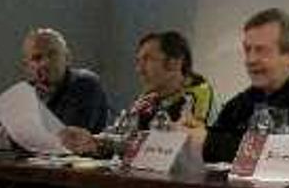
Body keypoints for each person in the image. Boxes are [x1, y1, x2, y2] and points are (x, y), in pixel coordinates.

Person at [199, 8, 289, 162]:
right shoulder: (240, 104)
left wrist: (208, 140)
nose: (250, 60)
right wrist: (195, 133)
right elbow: (214, 147)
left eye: (261, 50)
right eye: (247, 50)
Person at [60, 30, 213, 154]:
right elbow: (125, 137)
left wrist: (103, 144)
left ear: (175, 62)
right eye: (138, 62)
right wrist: (92, 141)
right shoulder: (150, 98)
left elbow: (173, 148)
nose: (139, 70)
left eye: (147, 60)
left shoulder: (197, 96)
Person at [22, 28, 109, 133]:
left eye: (52, 54)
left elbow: (68, 136)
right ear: (27, 66)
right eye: (37, 58)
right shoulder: (23, 94)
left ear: (67, 58)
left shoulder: (85, 84)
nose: (45, 63)